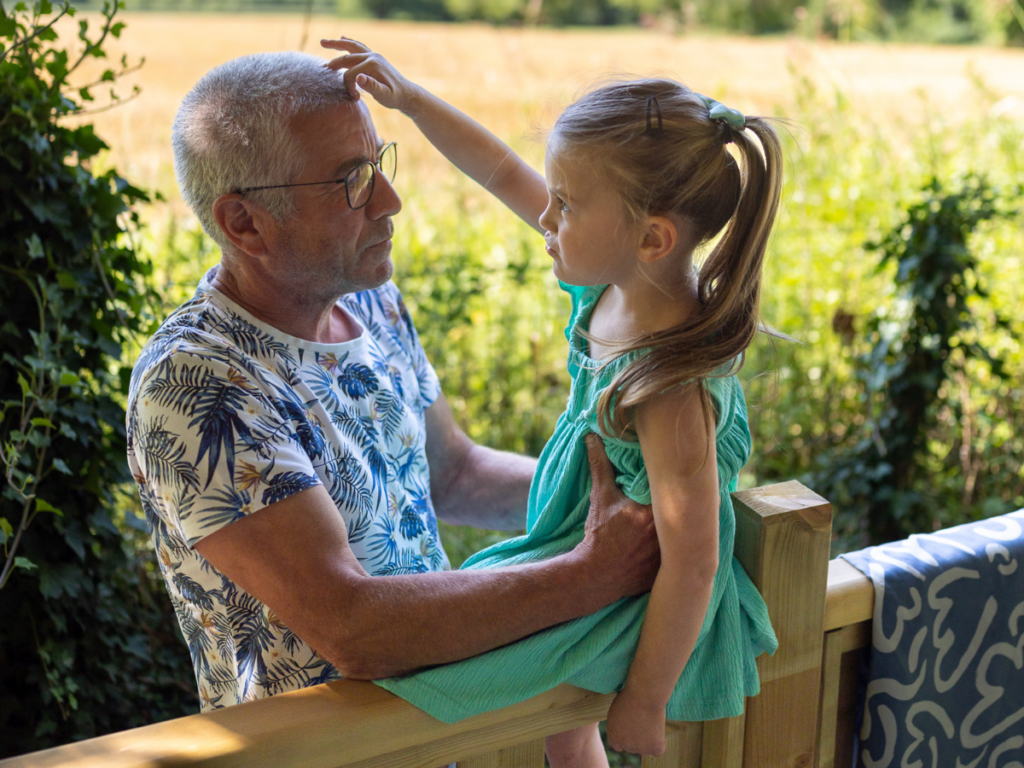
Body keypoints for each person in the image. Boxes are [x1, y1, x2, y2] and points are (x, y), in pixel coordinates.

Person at [125, 51, 661, 713]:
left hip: (436, 733)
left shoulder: (368, 302)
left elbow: (453, 475)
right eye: (351, 182)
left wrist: (639, 494)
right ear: (244, 223)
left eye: (380, 165)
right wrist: (591, 574)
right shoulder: (198, 387)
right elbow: (353, 625)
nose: (391, 201)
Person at [319, 39, 782, 765]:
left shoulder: (667, 383)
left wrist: (645, 700)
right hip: (580, 547)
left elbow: (693, 561)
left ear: (653, 237)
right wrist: (409, 99)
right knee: (510, 673)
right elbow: (502, 168)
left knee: (466, 661)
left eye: (564, 205)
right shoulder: (617, 280)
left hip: (639, 589)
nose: (545, 217)